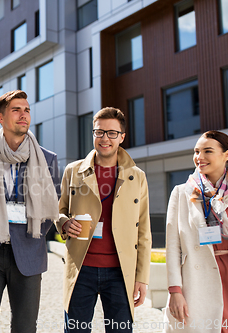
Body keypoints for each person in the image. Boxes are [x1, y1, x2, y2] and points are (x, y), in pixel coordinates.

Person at [0, 90, 60, 333]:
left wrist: (29, 232)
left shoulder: (48, 159)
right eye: (16, 110)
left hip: (29, 253)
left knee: (25, 328)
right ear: (0, 117)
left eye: (27, 110)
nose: (23, 115)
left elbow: (50, 209)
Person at [56, 107, 151, 332]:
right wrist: (64, 223)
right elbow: (59, 211)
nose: (104, 138)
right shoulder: (73, 170)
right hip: (81, 268)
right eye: (99, 132)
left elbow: (144, 230)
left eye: (111, 133)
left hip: (120, 270)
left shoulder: (137, 176)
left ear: (122, 137)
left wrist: (142, 278)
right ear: (93, 134)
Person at [164, 130, 228, 332]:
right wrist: (175, 291)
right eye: (196, 151)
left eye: (207, 151)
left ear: (226, 154)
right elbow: (173, 246)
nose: (199, 157)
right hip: (198, 279)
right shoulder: (182, 193)